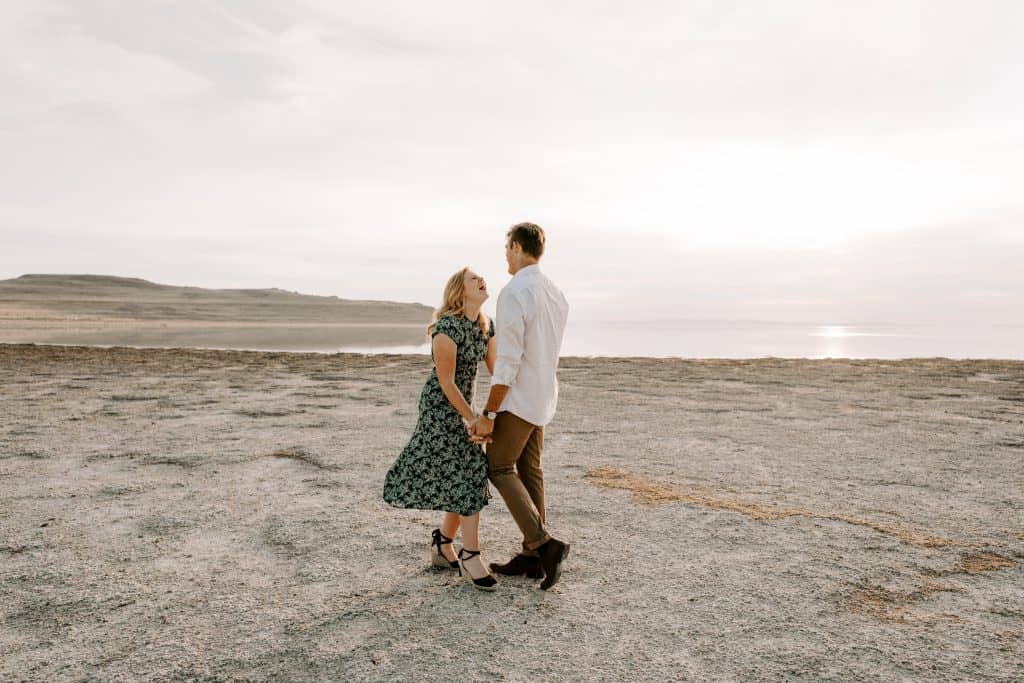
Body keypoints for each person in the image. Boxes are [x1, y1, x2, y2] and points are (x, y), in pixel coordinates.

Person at [382, 267, 499, 591]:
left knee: (459, 475)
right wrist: (473, 419)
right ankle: (470, 554)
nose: (481, 280)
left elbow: (498, 371)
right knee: (471, 471)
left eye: (482, 277)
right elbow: (446, 383)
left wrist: (492, 411)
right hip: (440, 409)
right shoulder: (446, 327)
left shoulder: (486, 327)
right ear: (459, 291)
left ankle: (442, 543)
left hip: (468, 411)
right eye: (473, 279)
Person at [470, 222, 570, 590]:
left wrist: (489, 412)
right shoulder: (556, 293)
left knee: (498, 467)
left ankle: (545, 545)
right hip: (543, 394)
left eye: (506, 248)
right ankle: (532, 556)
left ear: (515, 246)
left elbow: (509, 360)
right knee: (530, 470)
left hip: (519, 398)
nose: (505, 256)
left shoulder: (514, 292)